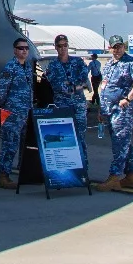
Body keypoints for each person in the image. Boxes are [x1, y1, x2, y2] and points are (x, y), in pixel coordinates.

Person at [95, 34, 133, 191]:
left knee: (120, 142)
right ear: (110, 48)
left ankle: (114, 176)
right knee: (123, 142)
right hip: (109, 109)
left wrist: (129, 98)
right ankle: (131, 175)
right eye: (114, 47)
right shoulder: (109, 65)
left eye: (119, 46)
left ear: (124, 47)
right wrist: (101, 108)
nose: (117, 49)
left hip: (123, 110)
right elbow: (104, 87)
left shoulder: (131, 63)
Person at [44, 33, 92, 169]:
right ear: (55, 47)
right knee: (64, 136)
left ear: (68, 46)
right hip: (61, 105)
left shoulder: (78, 62)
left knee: (80, 136)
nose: (63, 48)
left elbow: (84, 81)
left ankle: (83, 168)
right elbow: (56, 85)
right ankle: (67, 166)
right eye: (60, 46)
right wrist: (75, 86)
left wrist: (73, 87)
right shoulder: (52, 65)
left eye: (65, 45)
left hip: (78, 106)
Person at [0, 37, 35, 189]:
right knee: (9, 144)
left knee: (24, 144)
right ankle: (3, 176)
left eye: (26, 48)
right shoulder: (10, 67)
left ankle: (22, 172)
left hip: (25, 112)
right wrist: (8, 108)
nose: (24, 50)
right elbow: (1, 92)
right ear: (15, 50)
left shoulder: (27, 67)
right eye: (20, 48)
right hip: (13, 113)